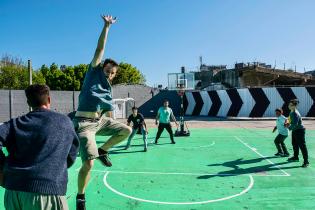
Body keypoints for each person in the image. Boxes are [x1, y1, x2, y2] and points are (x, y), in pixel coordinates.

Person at [73, 15, 132, 210]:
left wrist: (114, 128)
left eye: (112, 72)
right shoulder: (93, 72)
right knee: (89, 164)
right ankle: (80, 196)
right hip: (84, 123)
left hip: (99, 122)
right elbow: (100, 49)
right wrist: (107, 27)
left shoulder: (108, 89)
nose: (109, 73)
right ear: (102, 67)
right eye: (107, 70)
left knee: (126, 131)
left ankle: (103, 150)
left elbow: (108, 114)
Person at [0, 84, 79, 210]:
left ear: (28, 102)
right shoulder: (65, 122)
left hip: (13, 192)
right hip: (47, 193)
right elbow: (71, 154)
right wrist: (56, 166)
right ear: (49, 99)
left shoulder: (15, 124)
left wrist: (3, 167)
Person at [286, 99, 310, 168]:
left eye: (291, 105)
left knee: (302, 146)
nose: (289, 106)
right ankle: (296, 157)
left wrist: (288, 127)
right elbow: (289, 119)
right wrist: (287, 121)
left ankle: (306, 161)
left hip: (299, 131)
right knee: (294, 144)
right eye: (289, 104)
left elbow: (295, 124)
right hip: (295, 130)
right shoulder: (292, 111)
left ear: (294, 106)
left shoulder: (295, 113)